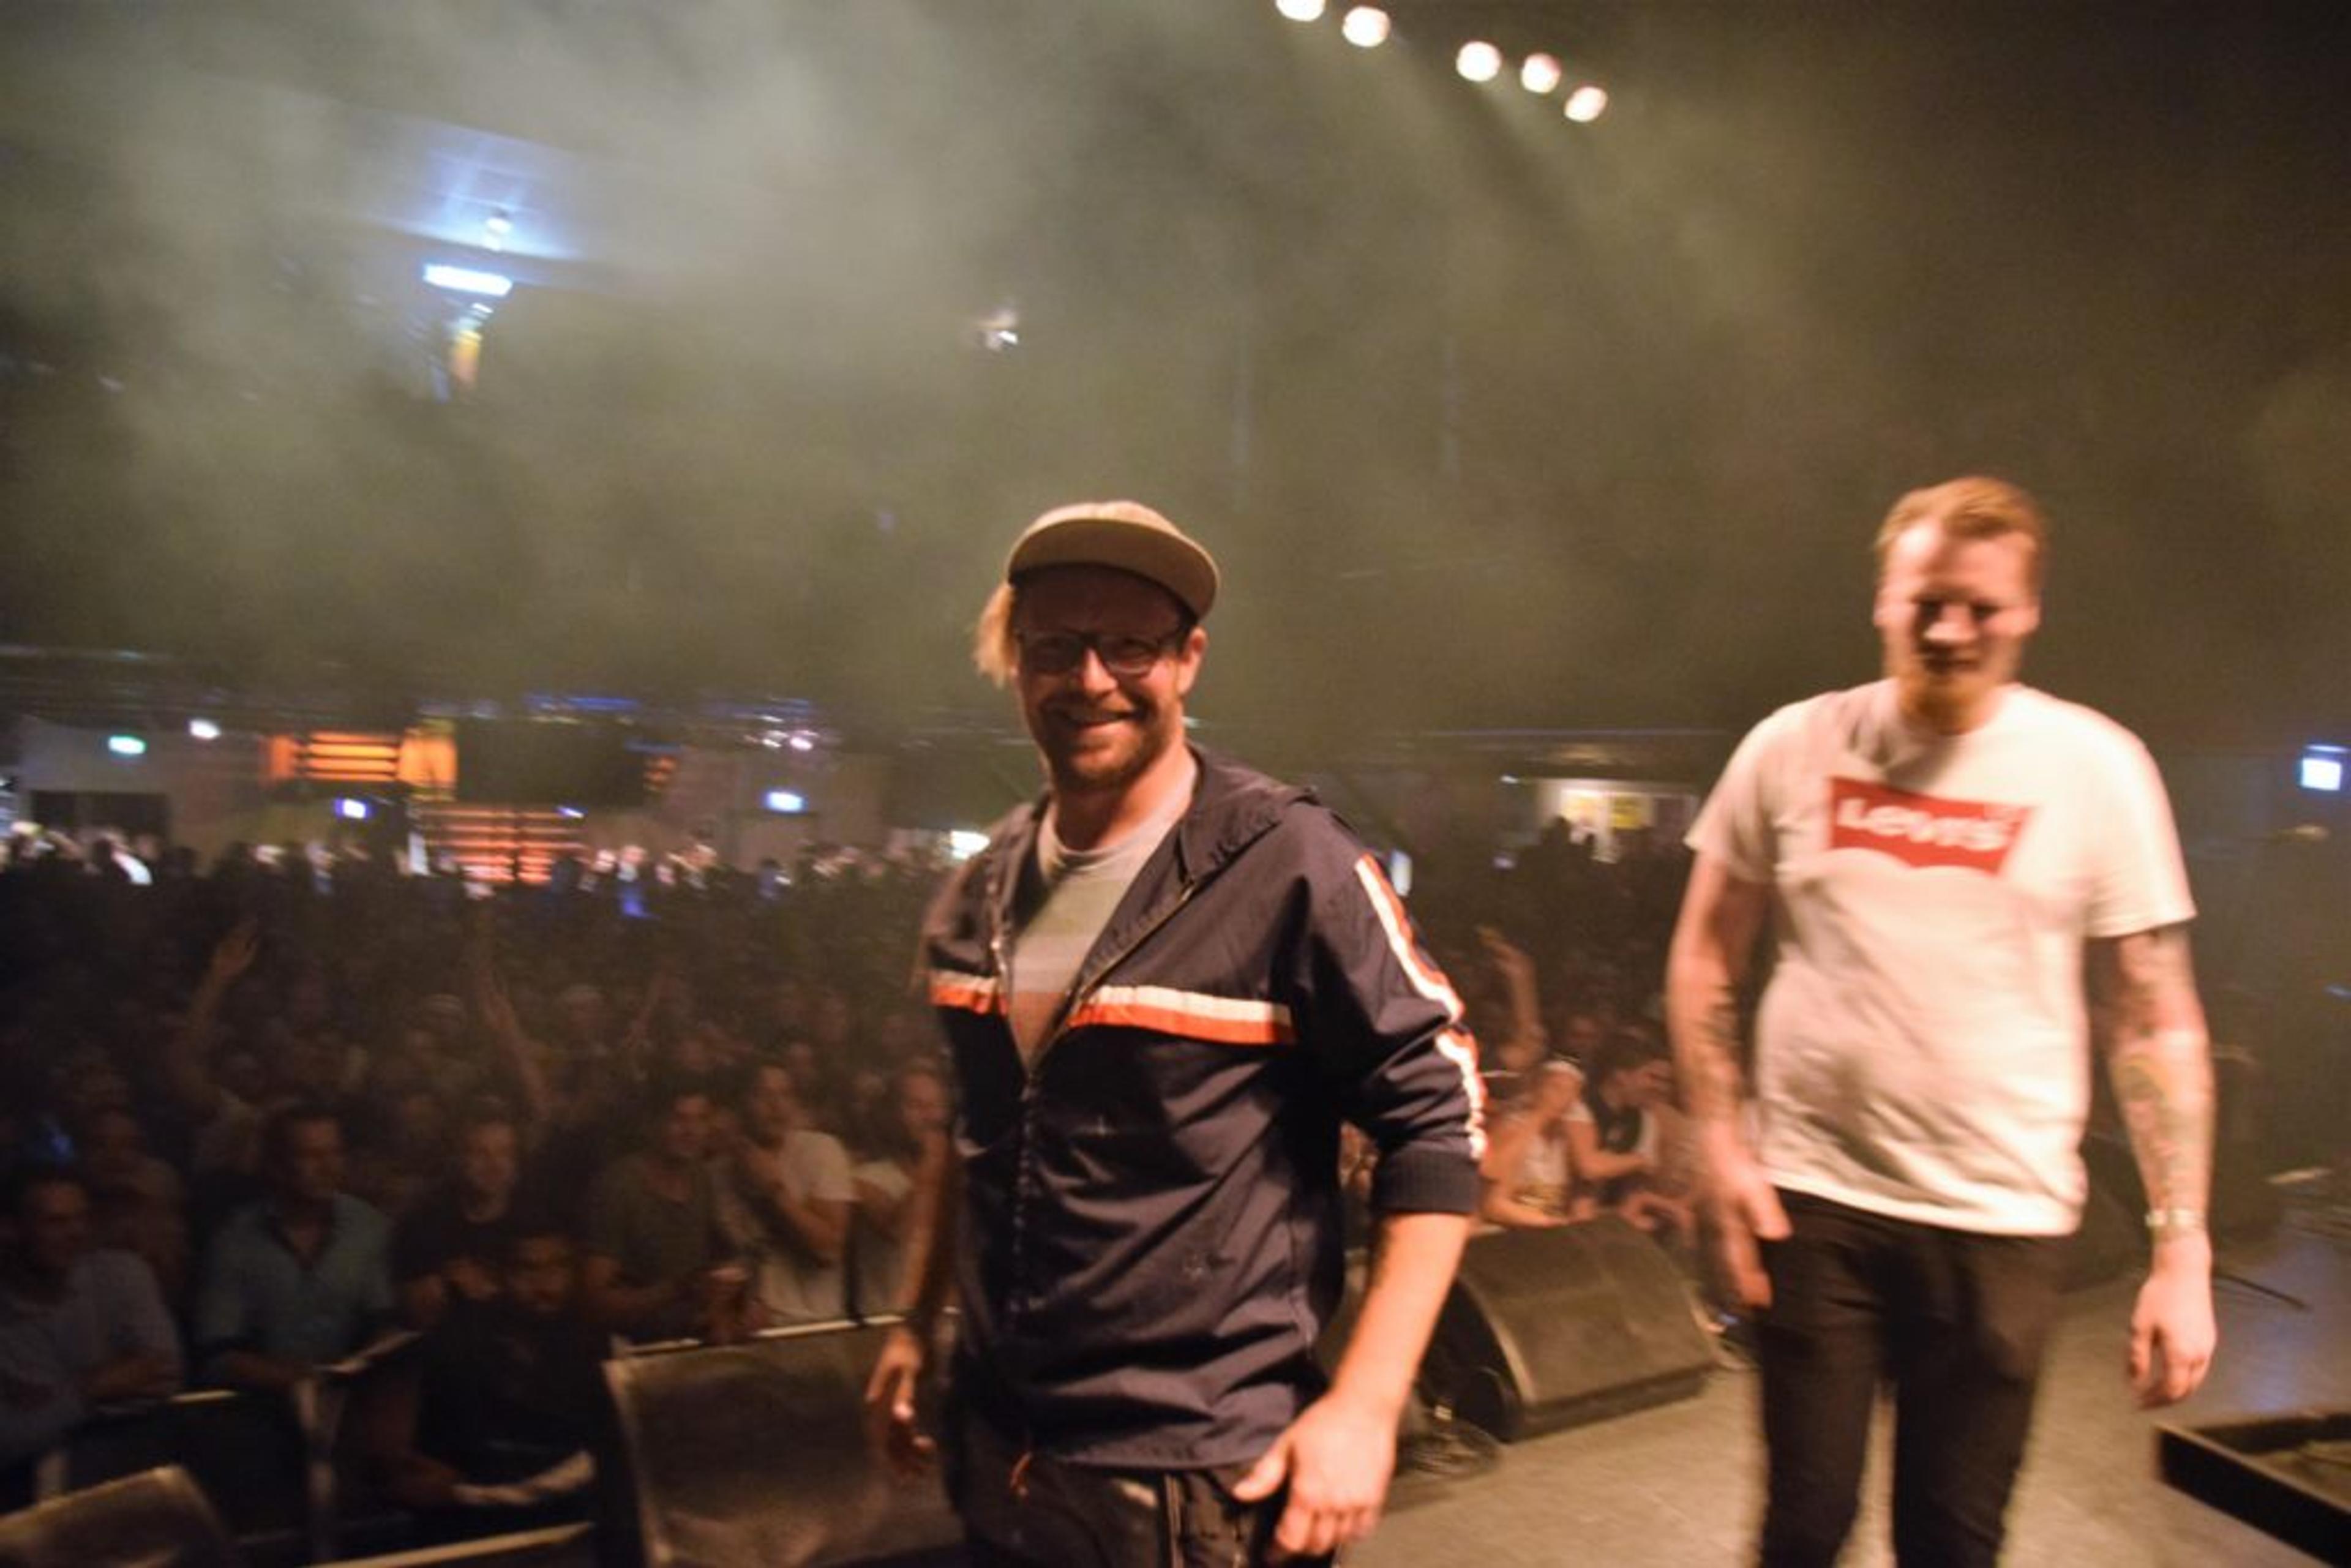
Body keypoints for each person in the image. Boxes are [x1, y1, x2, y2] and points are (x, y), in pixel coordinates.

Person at [866, 500, 1483, 1565]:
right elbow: (962, 1132)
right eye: (1056, 647)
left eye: (1130, 645)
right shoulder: (979, 889)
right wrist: (915, 1325)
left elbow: (1440, 1118)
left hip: (1202, 1480)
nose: (1092, 678)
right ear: (1016, 662)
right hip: (1003, 1449)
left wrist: (1370, 1402)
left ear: (1188, 660)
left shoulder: (1290, 866)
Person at [1667, 476, 2216, 1567]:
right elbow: (1705, 951)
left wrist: (2182, 1248)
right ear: (1884, 598)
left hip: (2003, 1216)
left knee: (1954, 1543)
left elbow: (2153, 1016)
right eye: (1927, 602)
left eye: (1982, 606)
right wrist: (1720, 1146)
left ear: (2029, 611)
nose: (1952, 630)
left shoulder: (2097, 768)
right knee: (1802, 1529)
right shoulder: (1792, 746)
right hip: (1816, 1201)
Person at [191, 1103, 396, 1390]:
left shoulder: (368, 1228)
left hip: (352, 1399)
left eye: (335, 1153)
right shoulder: (235, 1241)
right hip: (264, 1403)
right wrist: (302, 1382)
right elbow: (217, 1354)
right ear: (277, 1167)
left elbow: (383, 1323)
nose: (328, 1168)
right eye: (310, 1156)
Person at [0, 1164, 184, 1472]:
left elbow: (166, 1377)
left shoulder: (122, 1275)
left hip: (134, 1458)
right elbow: (6, 1440)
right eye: (56, 1222)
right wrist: (91, 1389)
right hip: (28, 1481)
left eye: (82, 1218)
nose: (77, 1233)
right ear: (10, 1230)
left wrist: (51, 1405)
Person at [719, 1061, 855, 1326]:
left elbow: (828, 1251)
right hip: (748, 1329)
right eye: (763, 1095)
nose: (776, 1106)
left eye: (785, 1095)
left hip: (814, 1324)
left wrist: (773, 1190)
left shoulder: (821, 1151)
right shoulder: (718, 1171)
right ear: (741, 1104)